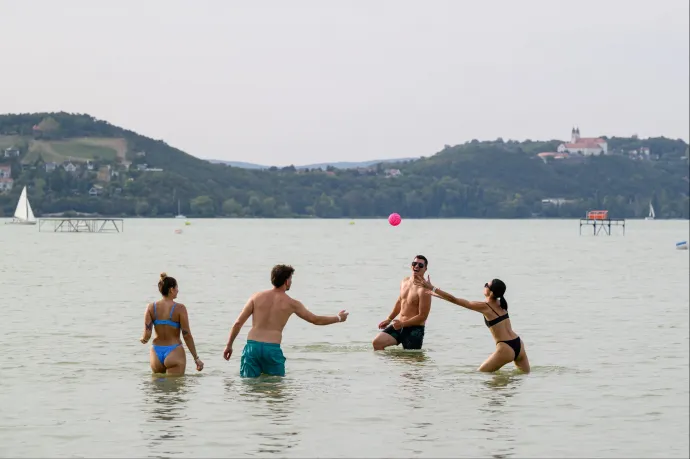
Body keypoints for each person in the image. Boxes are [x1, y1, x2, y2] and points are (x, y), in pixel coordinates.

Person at [223, 264, 349, 378]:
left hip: (252, 347)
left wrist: (229, 345)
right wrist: (338, 318)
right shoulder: (292, 304)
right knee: (276, 390)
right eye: (291, 279)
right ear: (287, 281)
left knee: (249, 388)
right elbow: (315, 320)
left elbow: (238, 323)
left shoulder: (256, 297)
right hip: (272, 349)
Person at [413, 275, 530, 373]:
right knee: (525, 377)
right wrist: (439, 295)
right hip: (519, 344)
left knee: (481, 374)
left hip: (505, 349)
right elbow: (455, 300)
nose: (484, 286)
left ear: (491, 292)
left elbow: (456, 300)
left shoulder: (485, 307)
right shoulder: (501, 303)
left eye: (486, 285)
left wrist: (432, 288)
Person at [140, 273, 204, 375]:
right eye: (176, 287)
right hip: (174, 351)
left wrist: (143, 339)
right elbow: (186, 335)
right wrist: (196, 358)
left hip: (156, 353)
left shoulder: (151, 307)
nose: (178, 290)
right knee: (174, 388)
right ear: (171, 289)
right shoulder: (180, 308)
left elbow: (147, 335)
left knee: (159, 388)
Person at [372, 255, 432, 351]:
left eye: (420, 265)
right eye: (414, 263)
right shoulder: (405, 281)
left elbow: (423, 316)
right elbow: (400, 301)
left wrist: (403, 324)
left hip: (414, 330)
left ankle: (400, 360)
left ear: (425, 269)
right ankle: (388, 365)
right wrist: (389, 319)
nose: (416, 266)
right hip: (399, 326)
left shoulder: (424, 290)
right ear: (411, 266)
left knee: (411, 361)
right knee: (377, 343)